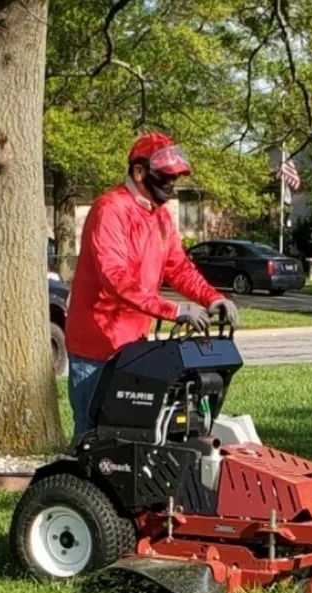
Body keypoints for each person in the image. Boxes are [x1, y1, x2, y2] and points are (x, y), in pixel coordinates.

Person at [64, 133, 239, 443]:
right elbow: (115, 278)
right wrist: (174, 310)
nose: (171, 186)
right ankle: (71, 492)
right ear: (139, 172)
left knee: (132, 436)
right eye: (165, 177)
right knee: (93, 437)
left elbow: (178, 266)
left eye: (175, 178)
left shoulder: (160, 217)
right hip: (96, 348)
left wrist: (212, 298)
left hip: (134, 347)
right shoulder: (111, 210)